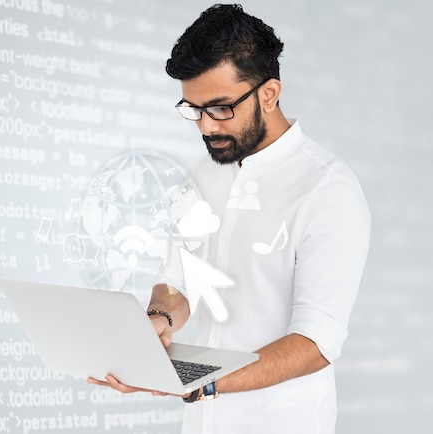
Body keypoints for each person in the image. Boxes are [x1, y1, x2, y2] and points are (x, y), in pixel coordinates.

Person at [88, 4, 370, 434]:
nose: (205, 127)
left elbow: (316, 343)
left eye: (220, 108)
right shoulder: (200, 176)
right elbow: (177, 284)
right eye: (194, 109)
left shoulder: (327, 188)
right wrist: (157, 322)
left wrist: (201, 384)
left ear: (269, 93)